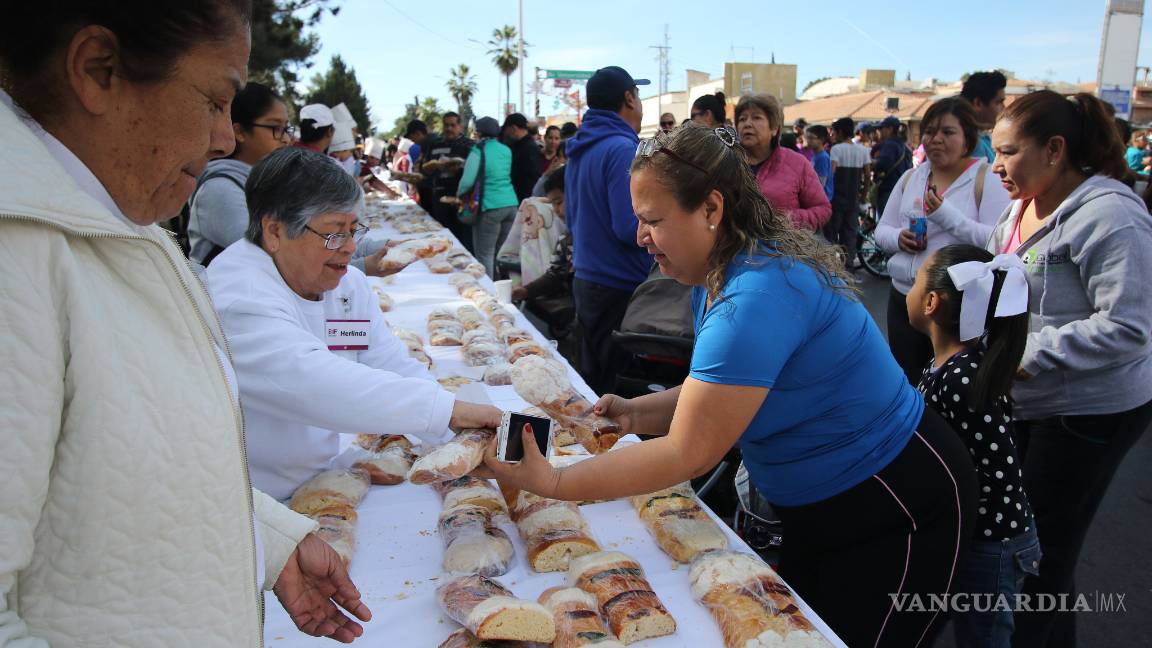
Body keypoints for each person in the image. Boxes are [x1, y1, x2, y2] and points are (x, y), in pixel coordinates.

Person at [484, 124, 977, 647]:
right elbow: (723, 395)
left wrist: (558, 484)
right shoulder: (719, 271)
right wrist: (635, 414)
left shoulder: (755, 296)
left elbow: (687, 454)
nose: (639, 237)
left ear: (712, 210)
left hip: (894, 499)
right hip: (823, 505)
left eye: (653, 220)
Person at [0, 2, 372, 644]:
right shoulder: (20, 260)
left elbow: (121, 471)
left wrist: (267, 541)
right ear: (98, 70)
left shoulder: (121, 229)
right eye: (213, 102)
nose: (227, 139)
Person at [207, 146, 503, 499]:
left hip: (325, 475)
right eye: (334, 233)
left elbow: (388, 361)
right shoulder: (238, 294)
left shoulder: (344, 284)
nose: (350, 248)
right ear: (274, 232)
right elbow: (314, 383)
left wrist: (458, 438)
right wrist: (447, 412)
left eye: (353, 230)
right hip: (256, 498)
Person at [986, 90, 1152, 648]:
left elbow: (1130, 326)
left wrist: (1024, 355)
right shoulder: (1017, 206)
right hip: (1030, 400)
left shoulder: (1111, 214)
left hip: (1089, 409)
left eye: (1008, 152)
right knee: (1030, 541)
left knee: (1043, 553)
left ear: (1055, 149)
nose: (996, 165)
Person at [907, 244, 1039, 648]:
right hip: (975, 535)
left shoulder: (960, 376)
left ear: (931, 302)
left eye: (915, 281)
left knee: (984, 638)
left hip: (992, 543)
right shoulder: (951, 364)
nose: (909, 288)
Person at [875, 98, 1012, 382]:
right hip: (905, 298)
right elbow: (882, 230)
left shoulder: (986, 179)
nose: (936, 139)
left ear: (967, 140)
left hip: (956, 308)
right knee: (908, 381)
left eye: (948, 132)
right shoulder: (911, 177)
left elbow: (996, 240)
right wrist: (900, 238)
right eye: (930, 131)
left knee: (949, 385)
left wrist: (945, 215)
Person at [564, 65, 651, 394]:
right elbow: (629, 227)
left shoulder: (581, 148)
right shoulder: (621, 149)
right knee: (613, 392)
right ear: (629, 98)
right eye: (638, 96)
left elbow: (571, 218)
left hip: (587, 278)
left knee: (592, 380)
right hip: (619, 285)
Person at [188, 81, 290, 266]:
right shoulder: (219, 190)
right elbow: (274, 258)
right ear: (240, 132)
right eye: (275, 128)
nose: (286, 138)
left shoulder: (267, 184)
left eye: (286, 128)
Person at [735, 93, 831, 232]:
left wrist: (783, 220)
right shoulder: (727, 163)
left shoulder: (797, 164)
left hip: (781, 251)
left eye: (756, 117)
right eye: (742, 119)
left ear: (774, 128)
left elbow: (823, 210)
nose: (747, 124)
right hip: (734, 251)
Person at [458, 116, 518, 277]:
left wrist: (459, 195)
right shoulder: (506, 150)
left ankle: (489, 295)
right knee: (500, 254)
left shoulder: (478, 150)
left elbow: (467, 181)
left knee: (485, 254)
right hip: (511, 205)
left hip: (489, 206)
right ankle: (504, 290)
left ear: (478, 132)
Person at [499, 165, 569, 286]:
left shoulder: (584, 234)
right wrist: (526, 291)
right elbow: (555, 273)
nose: (556, 210)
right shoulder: (565, 239)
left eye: (558, 203)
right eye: (553, 204)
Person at [420, 111, 475, 248]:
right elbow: (424, 168)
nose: (449, 128)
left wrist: (459, 169)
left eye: (453, 125)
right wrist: (429, 168)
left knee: (463, 238)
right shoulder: (434, 144)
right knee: (443, 236)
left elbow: (475, 172)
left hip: (461, 197)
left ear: (460, 127)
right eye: (446, 125)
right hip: (439, 196)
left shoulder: (469, 145)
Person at [825, 117, 872, 255]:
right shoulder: (863, 150)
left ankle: (833, 269)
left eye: (834, 132)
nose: (832, 135)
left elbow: (831, 173)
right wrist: (863, 196)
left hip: (837, 200)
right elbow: (868, 175)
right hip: (853, 200)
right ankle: (849, 268)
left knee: (832, 235)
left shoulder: (836, 149)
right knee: (850, 235)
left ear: (840, 132)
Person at [961, 70, 1008, 164]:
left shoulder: (983, 138)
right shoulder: (971, 145)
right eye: (998, 102)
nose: (1004, 107)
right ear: (978, 103)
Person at [872, 115, 914, 216]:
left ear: (890, 129)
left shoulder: (890, 144)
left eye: (882, 129)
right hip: (903, 190)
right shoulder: (905, 146)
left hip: (889, 189)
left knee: (886, 222)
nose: (880, 132)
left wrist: (874, 162)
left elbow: (883, 164)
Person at [504, 112, 543, 202]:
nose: (505, 133)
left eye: (506, 130)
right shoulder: (522, 145)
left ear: (513, 128)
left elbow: (532, 177)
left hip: (524, 200)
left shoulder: (528, 148)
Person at [805, 124, 833, 201]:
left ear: (821, 139)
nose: (808, 141)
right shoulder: (816, 155)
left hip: (821, 199)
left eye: (811, 138)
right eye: (807, 138)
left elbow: (821, 183)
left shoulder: (822, 157)